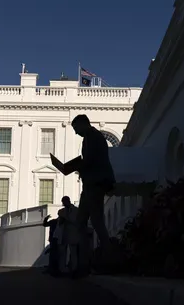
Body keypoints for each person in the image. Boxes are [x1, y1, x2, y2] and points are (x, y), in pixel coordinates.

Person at [71, 114, 116, 278]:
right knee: (82, 222)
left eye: (76, 129)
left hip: (95, 184)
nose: (76, 133)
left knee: (96, 222)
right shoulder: (91, 137)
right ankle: (87, 263)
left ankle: (106, 260)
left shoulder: (93, 137)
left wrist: (75, 166)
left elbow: (91, 160)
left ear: (83, 124)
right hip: (90, 184)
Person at [57, 196, 79, 274]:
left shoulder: (76, 210)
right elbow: (59, 222)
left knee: (73, 253)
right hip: (64, 234)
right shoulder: (61, 211)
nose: (64, 204)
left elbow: (75, 221)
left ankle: (74, 269)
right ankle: (62, 269)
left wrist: (66, 218)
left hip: (73, 233)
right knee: (62, 253)